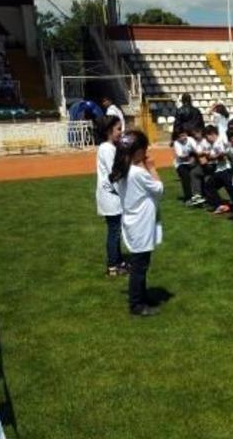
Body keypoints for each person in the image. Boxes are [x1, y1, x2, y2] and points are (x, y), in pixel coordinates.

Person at [109, 130, 162, 317]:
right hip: (141, 224)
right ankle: (136, 304)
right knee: (139, 266)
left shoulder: (122, 172)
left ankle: (142, 297)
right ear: (138, 151)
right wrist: (151, 167)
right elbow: (159, 189)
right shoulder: (138, 173)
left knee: (141, 263)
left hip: (133, 221)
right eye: (144, 149)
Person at [95, 115, 127, 276]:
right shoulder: (106, 148)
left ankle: (118, 261)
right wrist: (125, 194)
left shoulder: (111, 147)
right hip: (110, 196)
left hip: (113, 195)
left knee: (116, 231)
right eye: (118, 129)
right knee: (114, 231)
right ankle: (113, 266)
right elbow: (113, 174)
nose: (121, 132)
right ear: (109, 131)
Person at [201, 125, 233, 215]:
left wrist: (212, 157)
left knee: (230, 189)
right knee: (209, 186)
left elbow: (223, 154)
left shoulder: (220, 140)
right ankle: (221, 205)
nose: (206, 140)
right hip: (221, 169)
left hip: (226, 169)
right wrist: (210, 156)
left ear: (211, 134)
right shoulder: (215, 143)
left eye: (206, 137)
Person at [172, 125, 205, 206]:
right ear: (177, 138)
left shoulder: (190, 140)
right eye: (180, 136)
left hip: (192, 161)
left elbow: (197, 150)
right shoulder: (176, 143)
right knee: (185, 177)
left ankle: (200, 195)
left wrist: (194, 156)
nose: (183, 138)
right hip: (181, 164)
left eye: (184, 135)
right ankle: (188, 198)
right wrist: (191, 155)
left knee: (197, 174)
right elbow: (181, 156)